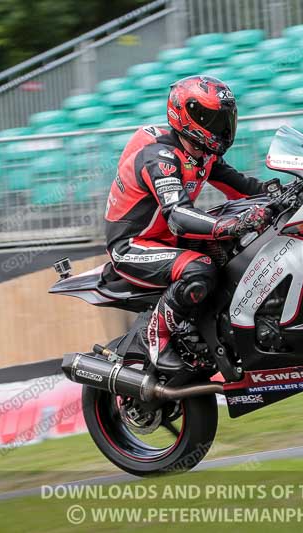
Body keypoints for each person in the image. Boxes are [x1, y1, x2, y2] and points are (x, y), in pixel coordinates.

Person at [104, 75, 271, 372]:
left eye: (224, 118)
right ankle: (157, 335)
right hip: (132, 246)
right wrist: (230, 224)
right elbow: (178, 217)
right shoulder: (160, 158)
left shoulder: (202, 153)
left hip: (166, 240)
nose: (221, 127)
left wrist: (285, 192)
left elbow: (242, 186)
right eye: (210, 118)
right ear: (185, 116)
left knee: (237, 251)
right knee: (199, 269)